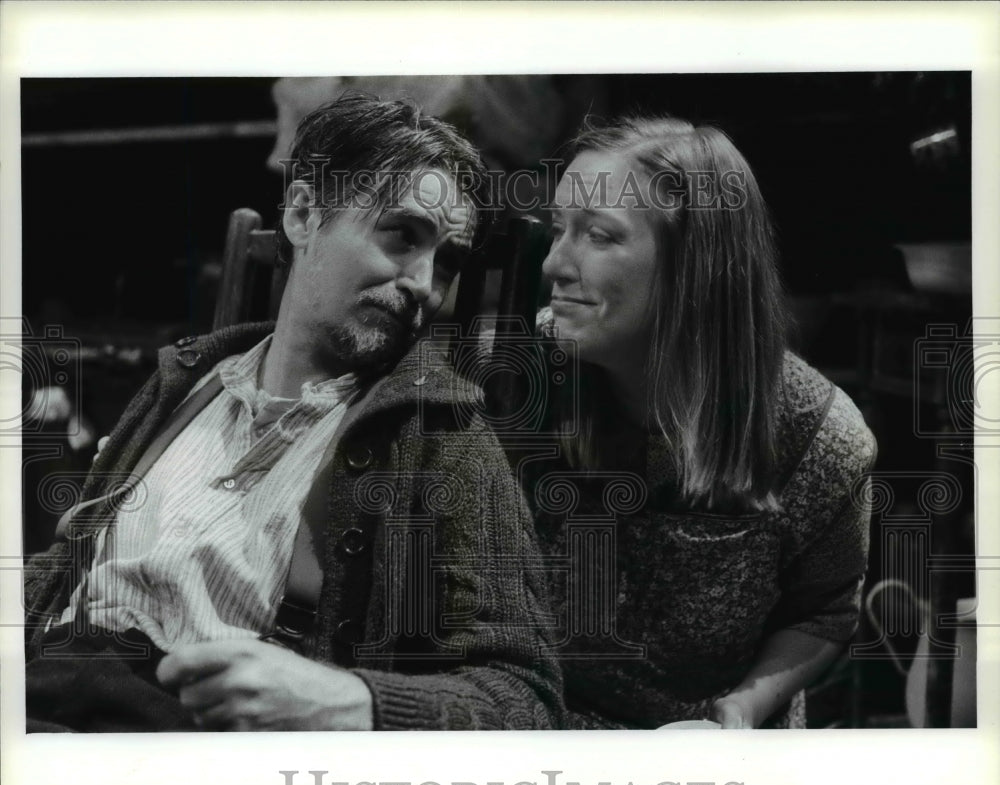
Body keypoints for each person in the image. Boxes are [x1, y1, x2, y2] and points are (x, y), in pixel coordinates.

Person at [22, 94, 561, 732]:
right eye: (401, 235)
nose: (423, 283)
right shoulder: (184, 383)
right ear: (304, 214)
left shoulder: (440, 436)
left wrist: (354, 701)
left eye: (446, 261)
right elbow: (65, 567)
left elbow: (523, 698)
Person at [526, 115, 877, 728]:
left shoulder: (817, 436)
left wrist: (737, 715)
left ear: (696, 268)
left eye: (598, 236)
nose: (554, 263)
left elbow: (824, 613)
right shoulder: (518, 388)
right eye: (559, 230)